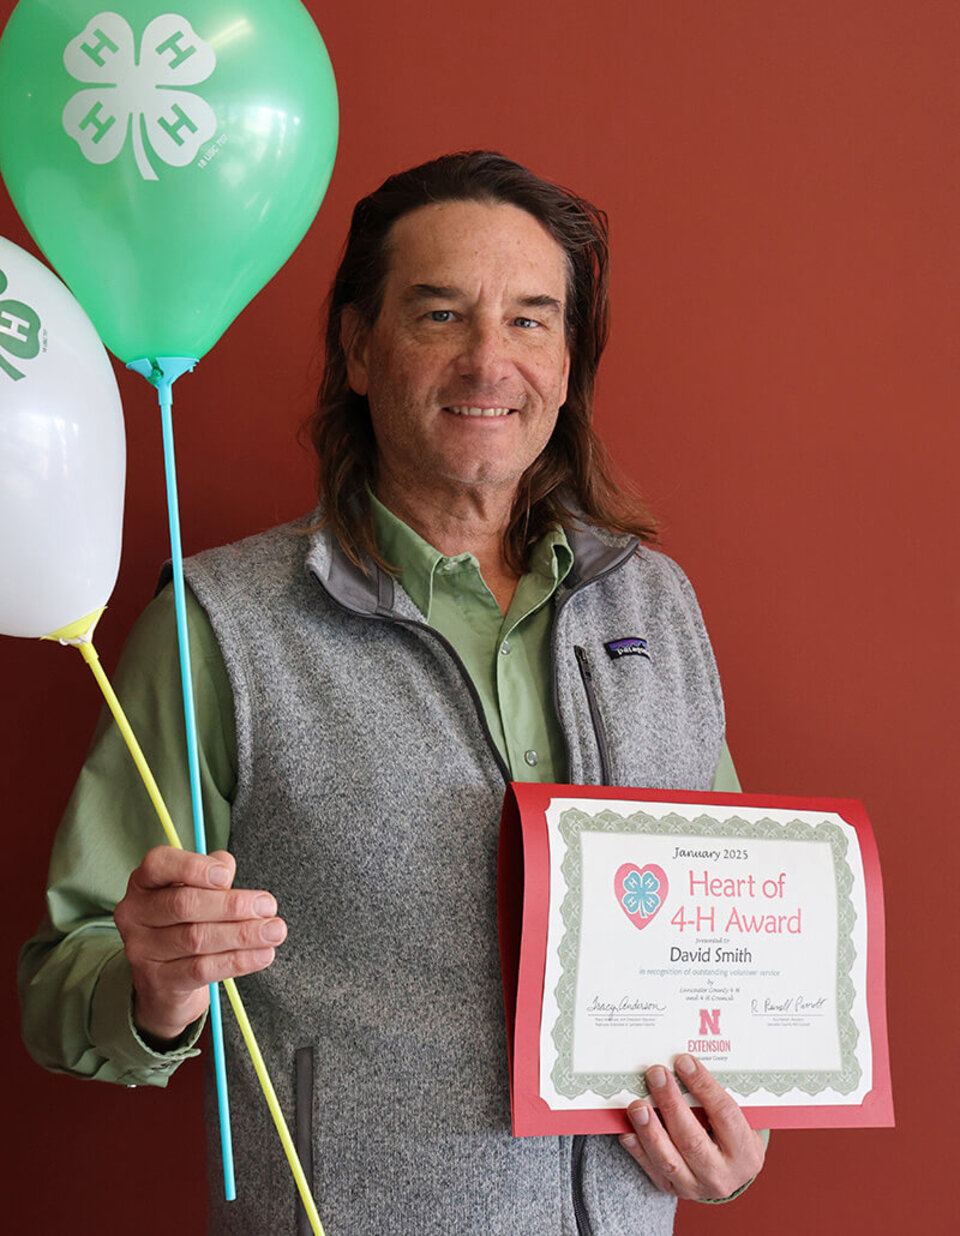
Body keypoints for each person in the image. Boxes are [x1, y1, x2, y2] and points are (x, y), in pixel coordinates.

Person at [20, 151, 765, 1234]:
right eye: (439, 314)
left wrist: (737, 1138)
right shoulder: (221, 627)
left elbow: (734, 939)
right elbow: (62, 981)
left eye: (531, 318)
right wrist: (153, 989)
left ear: (570, 358)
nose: (488, 360)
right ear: (360, 349)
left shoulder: (655, 605)